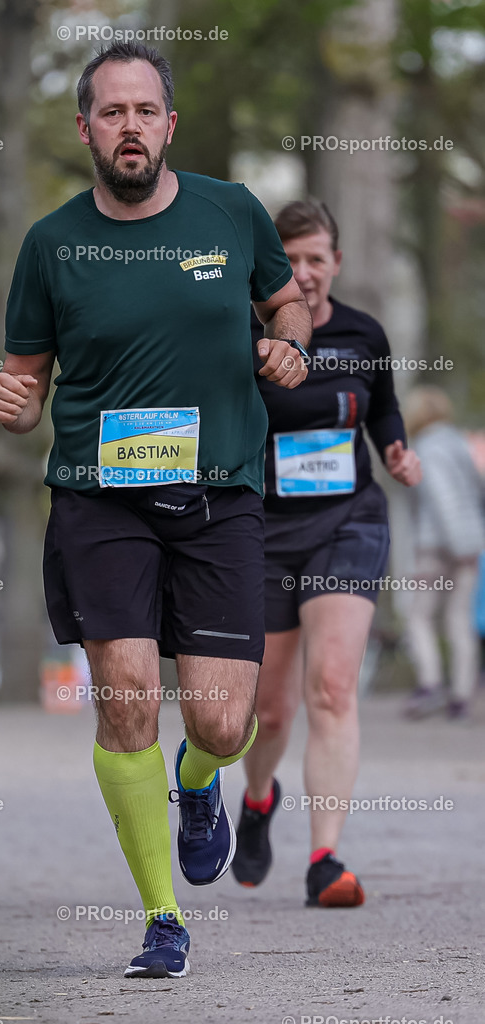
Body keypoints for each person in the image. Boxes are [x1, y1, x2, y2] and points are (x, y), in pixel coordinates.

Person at [0, 42, 310, 978]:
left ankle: (200, 783)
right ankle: (162, 917)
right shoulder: (51, 244)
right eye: (110, 112)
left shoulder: (231, 212)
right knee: (126, 698)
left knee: (218, 724)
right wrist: (11, 405)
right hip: (100, 499)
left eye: (144, 111)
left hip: (219, 497)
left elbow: (285, 305)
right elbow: (24, 379)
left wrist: (287, 347)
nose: (129, 127)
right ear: (84, 128)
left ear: (169, 124)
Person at [231, 199, 422, 907]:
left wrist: (395, 449)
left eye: (317, 259)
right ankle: (256, 802)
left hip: (349, 522)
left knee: (333, 688)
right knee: (271, 711)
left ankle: (324, 858)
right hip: (264, 531)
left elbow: (383, 410)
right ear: (270, 265)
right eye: (291, 260)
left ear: (335, 264)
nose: (305, 274)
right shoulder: (244, 336)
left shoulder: (362, 334)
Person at [401, 386, 485, 719]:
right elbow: (478, 491)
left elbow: (442, 497)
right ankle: (462, 695)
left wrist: (458, 543)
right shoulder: (459, 444)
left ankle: (430, 684)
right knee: (459, 619)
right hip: (469, 545)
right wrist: (471, 542)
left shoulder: (426, 448)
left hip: (436, 546)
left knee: (418, 616)